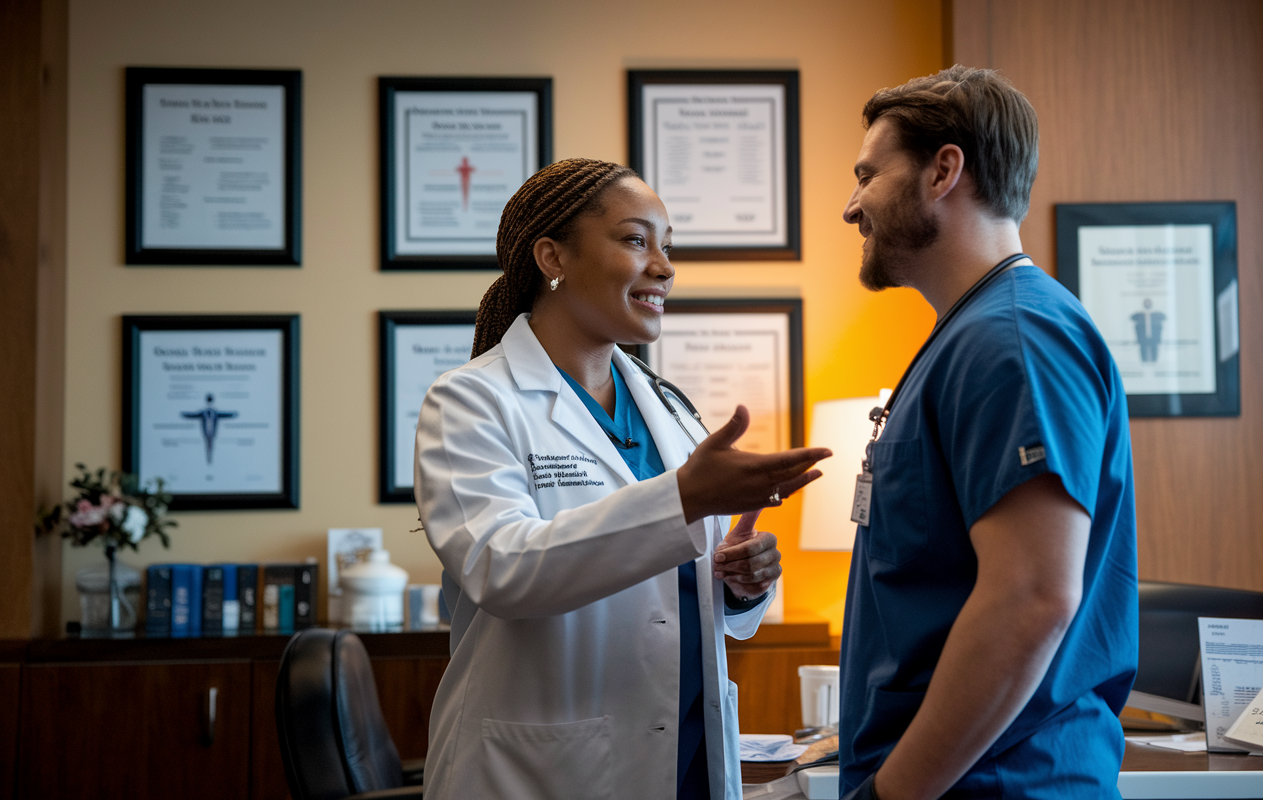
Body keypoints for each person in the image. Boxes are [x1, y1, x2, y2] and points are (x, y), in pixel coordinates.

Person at [414, 158, 831, 800]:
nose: (664, 267)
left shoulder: (670, 410)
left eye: (668, 247)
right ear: (553, 258)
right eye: (638, 241)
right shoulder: (471, 401)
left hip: (687, 755)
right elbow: (503, 568)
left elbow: (687, 599)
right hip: (545, 772)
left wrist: (744, 581)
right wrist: (687, 497)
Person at [837, 67, 1138, 799]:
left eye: (868, 176)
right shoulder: (972, 334)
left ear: (944, 170)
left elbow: (1032, 596)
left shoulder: (1013, 338)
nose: (851, 207)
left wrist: (892, 795)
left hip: (998, 784)